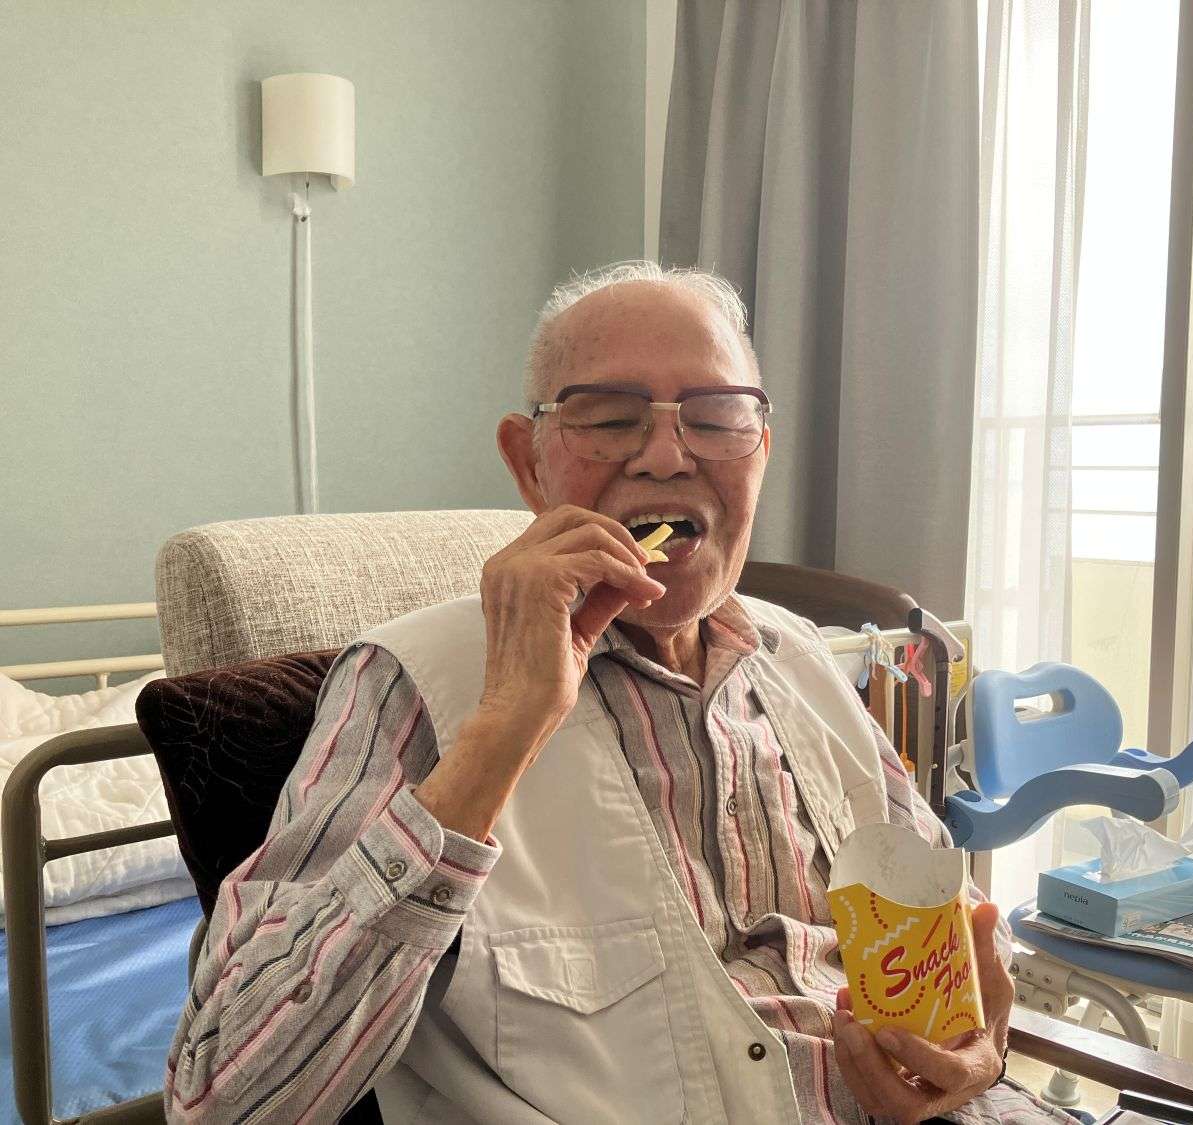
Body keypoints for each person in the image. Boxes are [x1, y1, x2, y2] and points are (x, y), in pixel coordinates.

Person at [164, 262, 1076, 1124]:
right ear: (529, 464)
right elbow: (223, 1098)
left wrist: (977, 1049)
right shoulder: (411, 683)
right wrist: (504, 729)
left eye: (717, 416)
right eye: (608, 417)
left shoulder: (803, 657)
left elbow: (951, 935)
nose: (668, 456)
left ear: (760, 450)